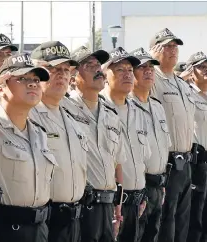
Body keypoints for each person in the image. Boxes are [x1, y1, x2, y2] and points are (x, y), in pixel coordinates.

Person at [0, 53, 57, 242]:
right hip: (3, 229)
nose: (32, 84)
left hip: (40, 229)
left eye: (35, 79)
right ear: (1, 86)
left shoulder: (39, 133)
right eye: (22, 79)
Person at [29, 41, 87, 242]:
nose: (61, 74)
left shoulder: (72, 116)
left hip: (75, 218)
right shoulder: (27, 114)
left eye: (65, 69)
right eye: (53, 69)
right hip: (45, 218)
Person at [67, 45, 126, 242]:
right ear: (73, 76)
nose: (97, 69)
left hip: (108, 204)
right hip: (82, 206)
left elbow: (117, 162)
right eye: (89, 65)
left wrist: (118, 204)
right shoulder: (65, 110)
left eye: (98, 65)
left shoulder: (111, 114)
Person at [149, 28, 196, 242]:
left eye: (175, 46)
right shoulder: (152, 79)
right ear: (154, 49)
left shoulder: (180, 83)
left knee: (182, 218)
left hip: (185, 161)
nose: (172, 50)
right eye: (166, 46)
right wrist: (150, 59)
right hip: (167, 162)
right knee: (166, 220)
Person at [100, 47, 150, 242]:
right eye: (120, 70)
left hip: (138, 202)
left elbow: (142, 159)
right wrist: (115, 205)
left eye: (130, 70)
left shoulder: (138, 110)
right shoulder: (98, 109)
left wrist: (143, 194)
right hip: (113, 205)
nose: (127, 74)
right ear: (104, 74)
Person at [129, 47, 172, 242]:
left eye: (151, 67)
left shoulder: (157, 106)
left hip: (158, 185)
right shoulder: (126, 107)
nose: (148, 71)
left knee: (152, 236)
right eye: (142, 67)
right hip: (140, 188)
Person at [184, 52, 207, 242]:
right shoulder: (187, 95)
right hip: (197, 164)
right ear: (191, 71)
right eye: (201, 66)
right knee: (196, 214)